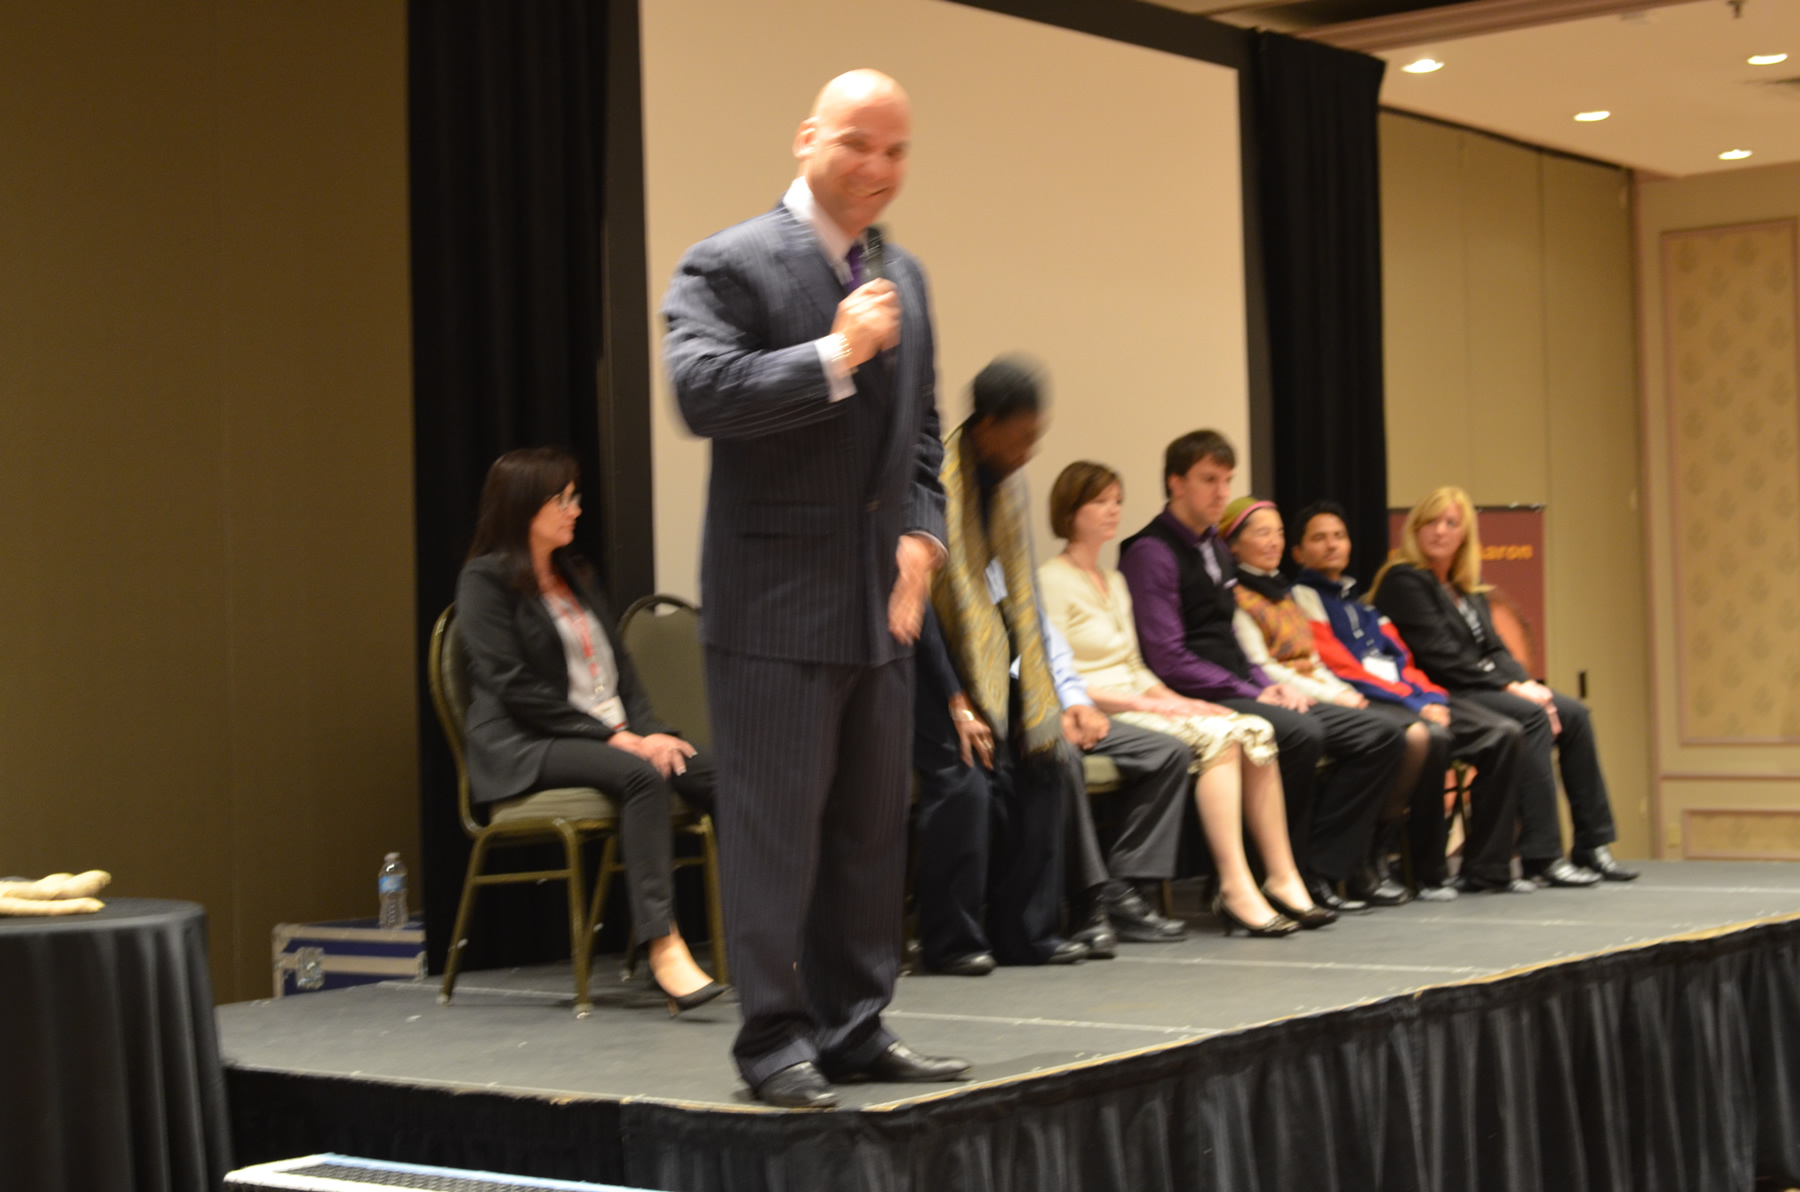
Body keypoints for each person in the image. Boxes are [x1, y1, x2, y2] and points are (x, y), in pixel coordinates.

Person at [661, 70, 964, 1109]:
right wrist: (838, 352)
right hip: (774, 607)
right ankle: (772, 1042)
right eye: (856, 143)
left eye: (897, 150)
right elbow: (701, 394)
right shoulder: (730, 261)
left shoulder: (905, 274)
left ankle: (855, 1025)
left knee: (869, 836)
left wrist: (923, 537)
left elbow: (923, 437)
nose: (878, 167)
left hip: (880, 609)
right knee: (775, 836)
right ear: (806, 139)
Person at [916, 361, 1192, 974]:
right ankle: (951, 941)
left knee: (1048, 757)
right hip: (926, 669)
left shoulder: (1006, 490)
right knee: (966, 781)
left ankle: (1026, 933)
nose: (1028, 452)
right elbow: (923, 608)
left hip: (994, 668)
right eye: (1020, 438)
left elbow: (1014, 609)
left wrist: (1037, 698)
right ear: (986, 427)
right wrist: (956, 699)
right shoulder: (935, 479)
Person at [455, 448, 726, 1014]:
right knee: (642, 776)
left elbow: (622, 673)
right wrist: (616, 739)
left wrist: (650, 731)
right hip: (526, 742)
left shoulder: (575, 574)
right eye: (563, 499)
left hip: (605, 734)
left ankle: (765, 934)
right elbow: (513, 687)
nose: (575, 509)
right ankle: (664, 948)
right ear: (524, 506)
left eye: (574, 497)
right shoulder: (484, 580)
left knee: (721, 777)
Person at [1040, 462, 1330, 936]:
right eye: (1099, 501)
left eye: (1117, 501)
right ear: (1070, 510)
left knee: (1253, 727)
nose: (1113, 511)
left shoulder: (1112, 579)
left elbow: (1135, 665)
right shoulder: (1051, 578)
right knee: (1221, 738)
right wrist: (1152, 705)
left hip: (1137, 696)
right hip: (1095, 705)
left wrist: (1176, 700)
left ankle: (1281, 875)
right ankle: (1235, 884)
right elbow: (1055, 673)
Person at [1119, 430, 1403, 913]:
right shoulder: (1151, 552)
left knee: (1380, 735)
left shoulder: (1214, 547)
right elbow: (1168, 658)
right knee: (1300, 733)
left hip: (1239, 684)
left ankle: (1318, 866)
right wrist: (1252, 690)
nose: (1221, 493)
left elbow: (1231, 639)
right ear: (1176, 483)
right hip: (1194, 692)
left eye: (1227, 481)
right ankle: (1260, 876)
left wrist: (1268, 685)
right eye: (1209, 480)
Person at [1370, 487, 1635, 887]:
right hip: (1441, 693)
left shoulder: (1466, 587)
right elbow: (1442, 658)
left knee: (1574, 714)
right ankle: (1542, 855)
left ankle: (1592, 844)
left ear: (1464, 534)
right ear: (1415, 529)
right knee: (1531, 716)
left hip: (1481, 688)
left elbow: (1495, 648)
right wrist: (1513, 689)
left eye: (1450, 523)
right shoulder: (1404, 580)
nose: (1439, 531)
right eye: (1430, 522)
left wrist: (1527, 684)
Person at [1287, 501, 1530, 895]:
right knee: (1431, 737)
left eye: (1339, 536)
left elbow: (1403, 661)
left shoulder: (1362, 606)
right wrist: (1416, 704)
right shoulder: (1301, 598)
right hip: (1363, 700)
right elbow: (1340, 667)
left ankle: (1488, 867)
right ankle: (1416, 866)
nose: (1331, 545)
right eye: (1319, 538)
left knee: (1504, 734)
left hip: (1407, 697)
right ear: (1298, 552)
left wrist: (1432, 697)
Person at [1220, 497, 1415, 907]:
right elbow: (1264, 668)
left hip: (1313, 691)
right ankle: (1317, 869)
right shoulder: (1236, 597)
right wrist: (1334, 695)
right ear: (1233, 545)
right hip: (1280, 696)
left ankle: (1336, 863)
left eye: (1278, 532)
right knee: (1376, 735)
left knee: (1389, 733)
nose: (1273, 541)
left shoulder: (1281, 591)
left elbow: (1311, 660)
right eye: (1261, 533)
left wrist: (1345, 692)